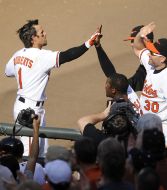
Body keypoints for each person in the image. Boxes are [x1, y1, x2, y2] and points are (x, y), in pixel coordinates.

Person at [4, 19, 101, 157]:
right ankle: (28, 177)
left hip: (24, 105)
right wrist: (89, 43)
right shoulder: (42, 56)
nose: (45, 33)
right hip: (30, 110)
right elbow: (68, 55)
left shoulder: (18, 54)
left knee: (41, 151)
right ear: (33, 38)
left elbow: (8, 72)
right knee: (30, 152)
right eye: (42, 32)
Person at [133, 22, 167, 149]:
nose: (148, 54)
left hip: (161, 128)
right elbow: (138, 48)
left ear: (162, 59)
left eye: (152, 52)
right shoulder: (152, 64)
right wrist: (141, 34)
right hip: (144, 123)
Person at [77, 73, 139, 147]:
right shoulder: (137, 139)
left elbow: (82, 121)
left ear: (113, 90)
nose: (105, 86)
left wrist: (103, 115)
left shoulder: (106, 141)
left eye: (107, 84)